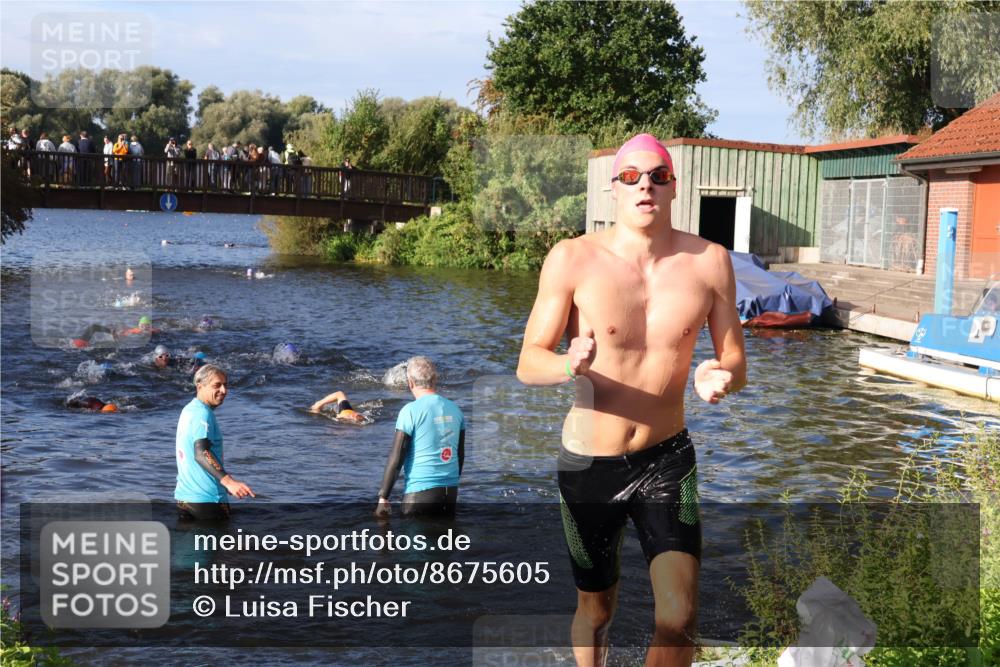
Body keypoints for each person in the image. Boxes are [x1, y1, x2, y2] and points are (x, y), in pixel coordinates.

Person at [515, 133, 747, 667]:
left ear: (673, 187)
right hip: (588, 464)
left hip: (668, 459)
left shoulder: (710, 262)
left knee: (678, 617)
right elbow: (529, 362)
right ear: (614, 189)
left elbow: (736, 360)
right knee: (596, 611)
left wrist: (720, 376)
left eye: (658, 176)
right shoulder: (572, 258)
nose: (645, 184)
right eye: (631, 176)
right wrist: (567, 364)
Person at [375, 356, 465, 518]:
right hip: (450, 493)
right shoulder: (456, 409)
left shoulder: (410, 411)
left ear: (410, 382)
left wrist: (383, 496)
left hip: (419, 493)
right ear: (435, 379)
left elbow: (397, 458)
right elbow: (460, 455)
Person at [175, 364, 255, 521]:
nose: (223, 391)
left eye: (225, 385)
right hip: (208, 501)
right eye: (217, 385)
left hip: (184, 499)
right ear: (200, 386)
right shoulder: (202, 414)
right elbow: (201, 453)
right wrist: (229, 482)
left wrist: (223, 480)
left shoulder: (189, 409)